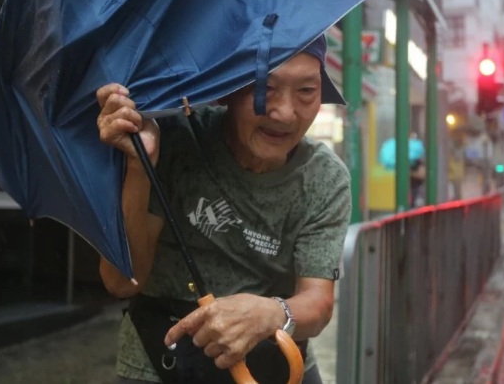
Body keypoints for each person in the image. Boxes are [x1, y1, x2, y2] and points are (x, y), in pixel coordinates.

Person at [96, 35, 351, 383]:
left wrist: (272, 312)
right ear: (229, 89)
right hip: (158, 361)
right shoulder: (177, 140)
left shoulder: (324, 177)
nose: (285, 112)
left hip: (276, 364)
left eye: (306, 91)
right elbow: (121, 283)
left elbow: (318, 304)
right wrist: (140, 165)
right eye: (266, 87)